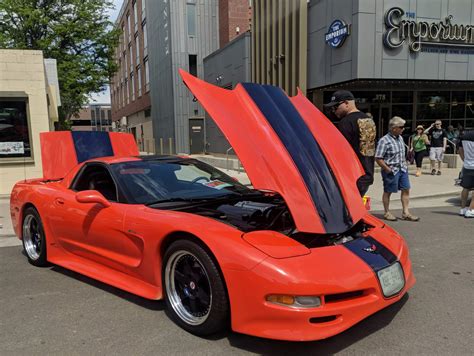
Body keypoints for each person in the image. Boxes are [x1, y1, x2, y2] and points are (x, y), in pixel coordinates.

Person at [324, 90, 376, 196]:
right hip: (367, 174)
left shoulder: (346, 122)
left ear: (346, 103)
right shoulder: (368, 120)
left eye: (335, 107)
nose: (334, 111)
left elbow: (341, 153)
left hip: (352, 177)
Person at [375, 116, 419, 222]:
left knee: (406, 189)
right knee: (388, 191)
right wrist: (386, 169)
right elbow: (378, 157)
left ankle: (406, 213)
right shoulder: (384, 140)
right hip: (391, 170)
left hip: (402, 169)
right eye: (401, 127)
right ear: (394, 128)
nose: (403, 129)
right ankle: (387, 212)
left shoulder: (400, 138)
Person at [458, 129, 474, 218]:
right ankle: (471, 210)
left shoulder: (464, 136)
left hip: (467, 165)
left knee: (466, 187)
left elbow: (460, 150)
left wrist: (465, 160)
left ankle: (462, 209)